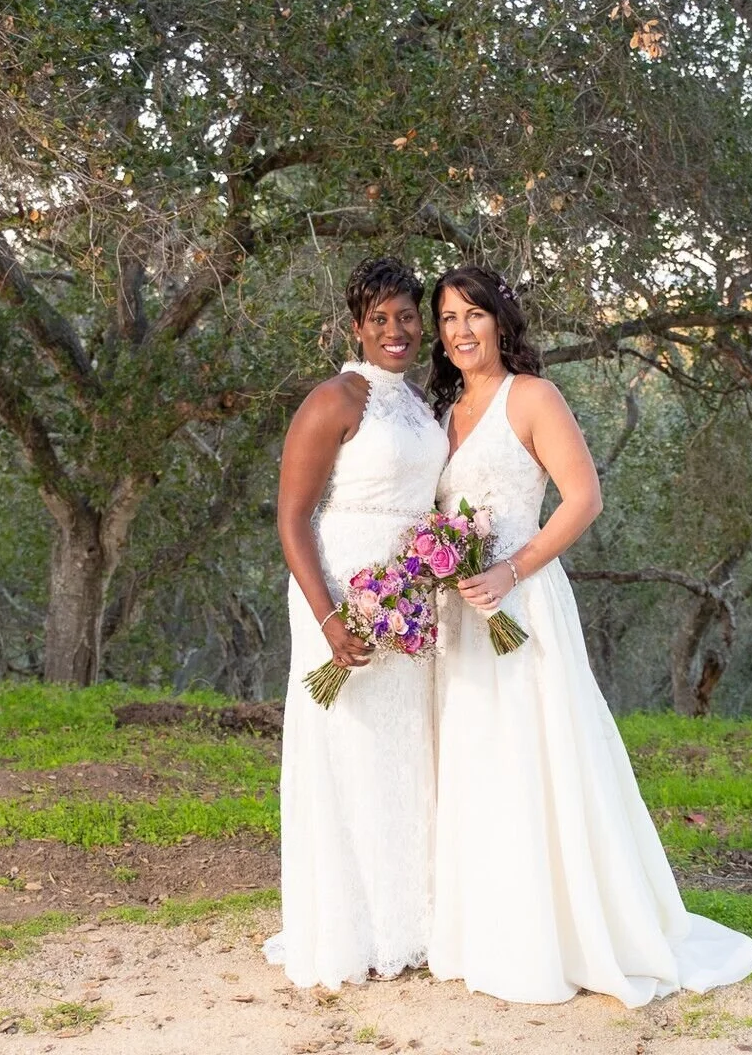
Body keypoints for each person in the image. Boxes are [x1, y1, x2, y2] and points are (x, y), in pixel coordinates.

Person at [427, 264, 752, 1007]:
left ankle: (566, 932)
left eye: (473, 315)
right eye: (448, 318)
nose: (460, 330)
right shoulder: (449, 412)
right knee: (479, 756)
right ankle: (491, 926)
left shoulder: (532, 397)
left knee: (535, 753)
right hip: (465, 613)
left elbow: (584, 499)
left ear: (500, 321)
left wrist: (512, 571)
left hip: (521, 601)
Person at [264, 257, 447, 988]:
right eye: (381, 320)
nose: (397, 331)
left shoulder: (418, 402)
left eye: (407, 317)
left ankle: (409, 921)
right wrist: (330, 615)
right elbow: (291, 519)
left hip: (407, 597)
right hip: (341, 588)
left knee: (407, 751)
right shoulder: (335, 399)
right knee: (350, 748)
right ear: (356, 329)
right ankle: (349, 927)